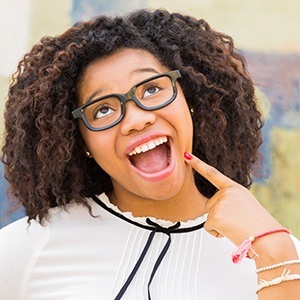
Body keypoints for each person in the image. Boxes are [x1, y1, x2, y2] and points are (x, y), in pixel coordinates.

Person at [0, 8, 299, 300]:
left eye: (152, 89)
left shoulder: (282, 252)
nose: (137, 119)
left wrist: (276, 254)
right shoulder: (30, 249)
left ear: (190, 101)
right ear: (81, 141)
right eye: (102, 109)